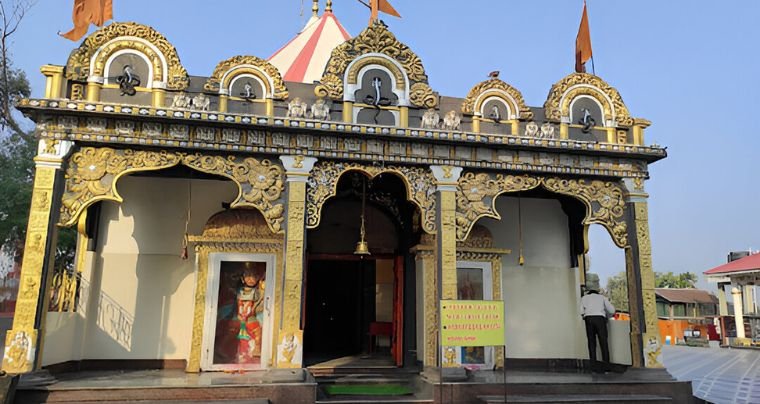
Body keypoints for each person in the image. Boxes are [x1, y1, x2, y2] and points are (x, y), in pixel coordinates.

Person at [580, 289, 615, 373]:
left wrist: (585, 315)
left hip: (589, 319)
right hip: (600, 319)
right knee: (603, 342)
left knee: (591, 343)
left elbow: (581, 311)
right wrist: (607, 316)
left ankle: (593, 367)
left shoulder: (584, 298)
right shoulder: (602, 297)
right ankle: (606, 367)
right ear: (597, 293)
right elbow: (612, 310)